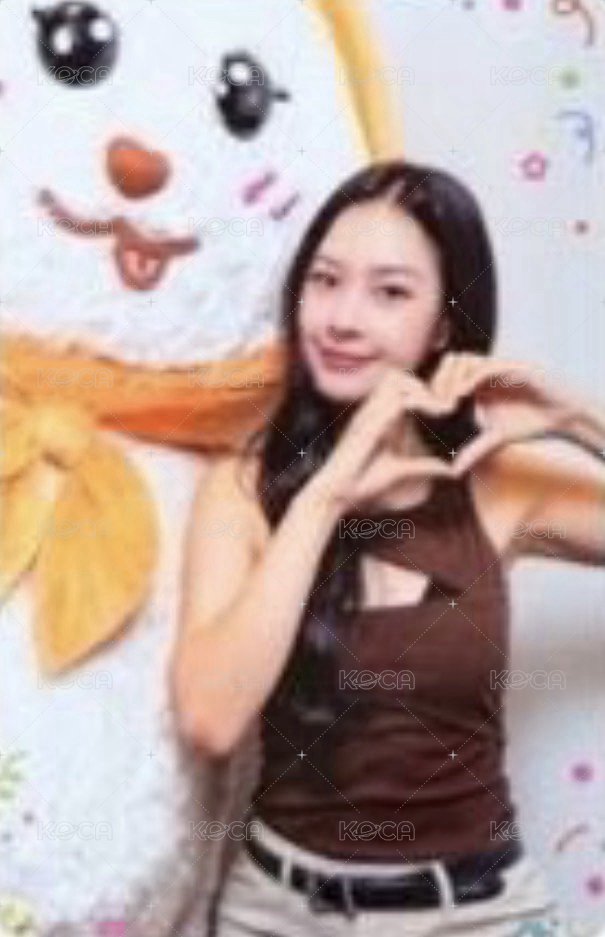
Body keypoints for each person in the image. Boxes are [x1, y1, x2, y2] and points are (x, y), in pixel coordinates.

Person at [170, 161, 605, 936]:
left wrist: (574, 418)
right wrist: (325, 497)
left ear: (441, 326)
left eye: (390, 292)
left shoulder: (495, 484)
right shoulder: (240, 492)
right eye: (324, 280)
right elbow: (210, 719)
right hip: (280, 914)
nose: (341, 318)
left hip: (479, 913)